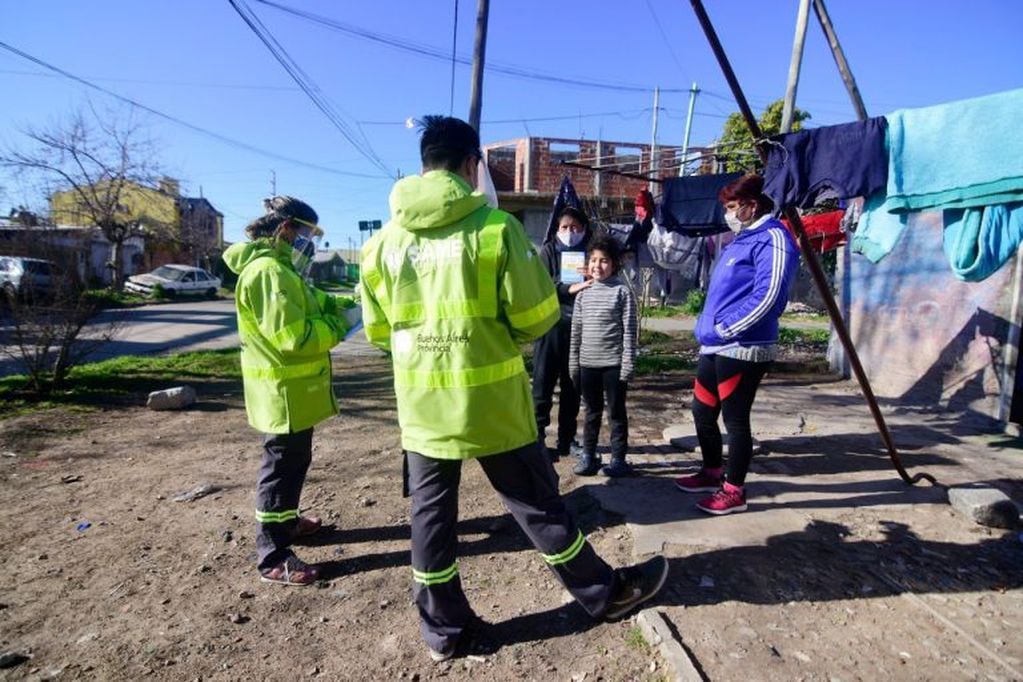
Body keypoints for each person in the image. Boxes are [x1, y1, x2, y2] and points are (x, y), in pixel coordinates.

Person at [360, 115, 668, 662]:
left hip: (424, 409)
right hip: (492, 403)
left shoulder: (382, 245)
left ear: (424, 163)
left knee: (430, 521)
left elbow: (381, 331)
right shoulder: (495, 229)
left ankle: (445, 634)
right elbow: (535, 317)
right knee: (537, 505)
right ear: (471, 165)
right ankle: (605, 593)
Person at [222, 196, 359, 585]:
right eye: (308, 234)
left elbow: (318, 302)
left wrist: (353, 304)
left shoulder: (284, 271)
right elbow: (294, 337)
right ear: (286, 230)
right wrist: (341, 328)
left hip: (294, 393)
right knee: (280, 468)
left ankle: (288, 522)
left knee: (294, 462)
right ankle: (272, 555)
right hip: (282, 393)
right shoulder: (269, 273)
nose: (311, 243)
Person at [674, 174, 799, 515]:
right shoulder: (741, 239)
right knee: (702, 412)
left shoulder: (774, 238)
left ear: (751, 205)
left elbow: (769, 297)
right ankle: (711, 471)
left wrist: (727, 328)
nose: (727, 213)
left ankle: (734, 491)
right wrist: (708, 328)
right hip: (715, 346)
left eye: (731, 207)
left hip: (744, 346)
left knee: (736, 420)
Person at [569, 235, 638, 477]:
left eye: (604, 261)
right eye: (594, 260)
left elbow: (630, 331)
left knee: (616, 412)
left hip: (614, 365)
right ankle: (589, 457)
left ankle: (618, 459)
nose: (598, 265)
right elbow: (575, 333)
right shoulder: (583, 295)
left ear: (615, 264)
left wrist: (628, 363)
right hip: (588, 364)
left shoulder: (622, 293)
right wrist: (573, 365)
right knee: (591, 412)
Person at [532, 206, 593, 461]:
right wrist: (570, 288)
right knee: (542, 385)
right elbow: (541, 284)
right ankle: (537, 439)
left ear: (583, 229)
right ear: (557, 229)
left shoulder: (590, 253)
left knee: (572, 387)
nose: (570, 232)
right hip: (549, 328)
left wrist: (593, 277)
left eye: (575, 227)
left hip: (579, 329)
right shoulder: (547, 251)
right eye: (565, 227)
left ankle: (566, 441)